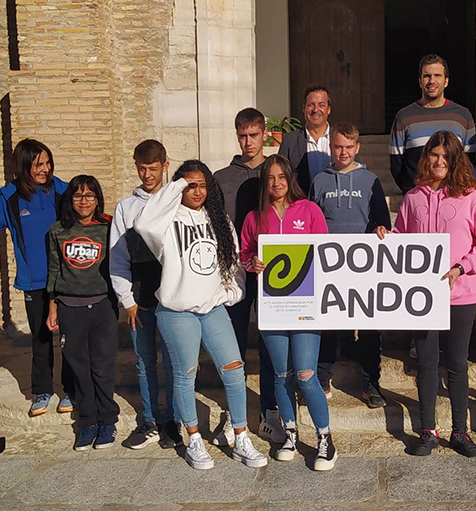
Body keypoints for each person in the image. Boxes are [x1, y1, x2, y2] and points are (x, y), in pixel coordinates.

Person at [135, 161, 267, 471]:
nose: (197, 190)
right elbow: (143, 223)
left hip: (213, 310)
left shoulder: (219, 219)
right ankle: (193, 438)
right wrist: (178, 184)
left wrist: (233, 293)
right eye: (189, 185)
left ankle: (240, 437)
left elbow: (232, 262)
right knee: (185, 375)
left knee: (234, 372)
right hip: (177, 312)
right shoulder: (165, 220)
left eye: (202, 184)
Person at [376, 131, 476, 457]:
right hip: (423, 295)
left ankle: (461, 431)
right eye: (434, 155)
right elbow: (402, 238)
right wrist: (386, 236)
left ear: (456, 159)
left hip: (461, 293)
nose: (439, 162)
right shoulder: (413, 197)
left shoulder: (471, 197)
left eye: (446, 156)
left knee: (457, 363)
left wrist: (463, 267)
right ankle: (427, 430)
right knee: (427, 363)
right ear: (426, 158)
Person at [240, 155, 338, 471]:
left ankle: (325, 439)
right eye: (270, 178)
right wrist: (252, 261)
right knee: (282, 375)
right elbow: (244, 254)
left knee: (307, 375)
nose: (277, 183)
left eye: (282, 177)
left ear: (290, 178)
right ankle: (290, 434)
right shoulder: (255, 217)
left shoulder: (309, 210)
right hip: (273, 307)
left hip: (307, 306)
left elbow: (325, 252)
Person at [0, 138, 75, 417]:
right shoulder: (9, 198)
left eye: (48, 162)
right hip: (34, 282)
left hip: (67, 278)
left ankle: (71, 390)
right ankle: (42, 391)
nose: (45, 169)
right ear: (24, 166)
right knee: (41, 338)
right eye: (38, 164)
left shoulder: (63, 191)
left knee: (70, 337)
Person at [309, 122, 391, 409]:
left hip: (363, 265)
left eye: (348, 147)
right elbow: (310, 221)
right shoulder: (319, 180)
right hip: (329, 266)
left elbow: (383, 221)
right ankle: (322, 378)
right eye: (338, 146)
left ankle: (371, 384)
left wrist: (381, 229)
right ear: (331, 147)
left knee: (369, 325)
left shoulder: (370, 181)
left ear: (357, 148)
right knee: (327, 322)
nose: (343, 152)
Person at [214, 108, 284, 446]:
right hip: (234, 273)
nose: (248, 141)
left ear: (264, 135)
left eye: (254, 135)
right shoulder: (222, 177)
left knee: (271, 343)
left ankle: (270, 408)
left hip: (273, 274)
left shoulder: (276, 173)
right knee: (234, 343)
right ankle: (234, 409)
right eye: (242, 135)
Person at [110, 139, 182, 450]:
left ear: (165, 166)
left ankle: (175, 421)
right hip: (140, 298)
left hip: (174, 296)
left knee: (175, 361)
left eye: (153, 168)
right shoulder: (126, 208)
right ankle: (151, 421)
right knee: (145, 361)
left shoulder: (178, 202)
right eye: (141, 168)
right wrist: (127, 300)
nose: (147, 174)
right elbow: (118, 258)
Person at [45, 175, 119, 451]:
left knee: (103, 367)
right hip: (70, 308)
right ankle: (87, 422)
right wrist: (53, 307)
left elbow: (120, 265)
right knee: (79, 368)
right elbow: (54, 271)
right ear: (70, 200)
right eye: (78, 196)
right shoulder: (57, 231)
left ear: (98, 199)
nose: (84, 201)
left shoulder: (108, 227)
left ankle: (107, 420)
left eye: (90, 196)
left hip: (102, 307)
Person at [389, 54, 476, 194]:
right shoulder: (404, 118)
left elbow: (469, 162)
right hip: (419, 198)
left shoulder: (462, 116)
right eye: (427, 76)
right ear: (420, 81)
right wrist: (412, 192)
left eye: (437, 75)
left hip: (454, 196)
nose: (432, 81)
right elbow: (396, 165)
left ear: (446, 81)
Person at [278, 85, 333, 193]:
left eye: (321, 105)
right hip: (301, 205)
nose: (316, 109)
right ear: (304, 109)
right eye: (310, 105)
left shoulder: (340, 139)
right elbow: (281, 175)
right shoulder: (290, 141)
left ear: (329, 109)